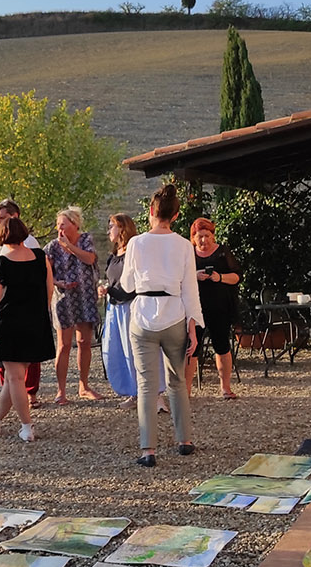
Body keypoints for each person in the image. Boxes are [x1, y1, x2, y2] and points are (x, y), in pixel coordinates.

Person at [121, 183, 202, 467]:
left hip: (143, 313)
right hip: (174, 314)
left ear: (151, 211)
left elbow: (127, 284)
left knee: (146, 385)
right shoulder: (184, 245)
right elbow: (190, 289)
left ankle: (148, 450)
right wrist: (193, 325)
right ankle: (185, 440)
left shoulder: (136, 243)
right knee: (177, 381)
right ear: (176, 215)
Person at [0, 216, 55, 442]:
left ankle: (26, 426)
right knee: (13, 377)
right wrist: (42, 312)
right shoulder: (40, 257)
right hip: (35, 321)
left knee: (15, 378)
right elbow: (50, 288)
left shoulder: (1, 262)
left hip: (10, 323)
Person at [99, 214, 169, 414]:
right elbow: (112, 281)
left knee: (141, 350)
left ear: (122, 228)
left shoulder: (135, 251)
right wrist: (104, 289)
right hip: (115, 308)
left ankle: (156, 395)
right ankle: (134, 391)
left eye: (111, 226)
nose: (108, 230)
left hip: (132, 306)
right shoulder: (113, 255)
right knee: (120, 351)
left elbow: (137, 281)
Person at [44, 206, 102, 404]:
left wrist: (69, 246)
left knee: (84, 342)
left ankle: (84, 386)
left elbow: (89, 259)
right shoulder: (52, 246)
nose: (59, 228)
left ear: (74, 224)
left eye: (63, 224)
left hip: (85, 297)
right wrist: (57, 282)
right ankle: (61, 391)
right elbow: (44, 271)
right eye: (58, 224)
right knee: (64, 345)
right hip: (63, 298)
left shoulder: (85, 240)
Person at [0, 199, 42, 408]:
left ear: (14, 216)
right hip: (4, 305)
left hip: (25, 305)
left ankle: (30, 393)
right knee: (6, 355)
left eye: (2, 218)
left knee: (29, 354)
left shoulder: (30, 243)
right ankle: (8, 393)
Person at [190, 217, 242, 399]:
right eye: (199, 236)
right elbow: (178, 278)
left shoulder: (223, 252)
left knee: (222, 346)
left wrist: (220, 277)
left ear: (213, 235)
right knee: (191, 348)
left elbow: (237, 276)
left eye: (207, 235)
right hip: (195, 308)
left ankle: (225, 388)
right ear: (193, 238)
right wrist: (194, 275)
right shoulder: (188, 254)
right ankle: (185, 391)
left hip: (220, 307)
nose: (204, 240)